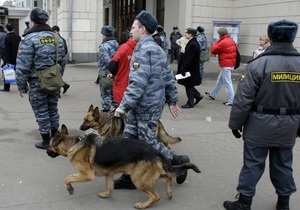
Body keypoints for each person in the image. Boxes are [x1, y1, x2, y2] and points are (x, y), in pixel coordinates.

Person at [224, 19, 299, 210]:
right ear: (292, 39)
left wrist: (235, 124)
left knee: (252, 164)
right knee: (283, 165)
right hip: (289, 125)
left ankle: (244, 203)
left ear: (271, 39)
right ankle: (284, 203)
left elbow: (243, 99)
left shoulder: (257, 64)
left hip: (259, 125)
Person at [114, 10, 189, 189]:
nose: (130, 30)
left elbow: (138, 82)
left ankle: (178, 161)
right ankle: (129, 176)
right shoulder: (156, 49)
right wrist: (172, 100)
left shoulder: (144, 50)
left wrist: (123, 105)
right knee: (130, 139)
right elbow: (168, 77)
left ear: (143, 29)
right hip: (141, 106)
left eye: (133, 27)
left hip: (145, 106)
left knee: (147, 142)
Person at [15, 7, 65, 150]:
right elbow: (62, 60)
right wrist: (58, 76)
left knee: (41, 110)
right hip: (54, 80)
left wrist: (21, 86)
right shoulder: (57, 38)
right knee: (53, 108)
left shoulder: (28, 39)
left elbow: (22, 65)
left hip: (37, 81)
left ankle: (46, 141)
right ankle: (56, 139)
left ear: (32, 21)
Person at [205, 27, 237, 106]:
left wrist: (216, 41)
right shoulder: (231, 40)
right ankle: (213, 94)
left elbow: (214, 51)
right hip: (230, 63)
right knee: (220, 80)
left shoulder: (222, 42)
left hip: (225, 64)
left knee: (227, 82)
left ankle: (231, 100)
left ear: (220, 34)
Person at [107, 35, 137, 107]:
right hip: (137, 87)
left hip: (122, 85)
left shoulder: (124, 48)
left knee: (121, 112)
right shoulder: (142, 48)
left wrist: (113, 74)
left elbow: (112, 66)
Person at [177, 28, 203, 108]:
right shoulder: (192, 42)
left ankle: (190, 103)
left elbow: (189, 58)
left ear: (191, 34)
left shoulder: (193, 44)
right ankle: (197, 95)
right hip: (192, 68)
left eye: (186, 33)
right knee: (188, 85)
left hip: (190, 69)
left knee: (188, 85)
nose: (185, 34)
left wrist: (184, 69)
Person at [97, 25, 119, 112]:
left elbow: (106, 61)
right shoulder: (116, 44)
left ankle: (106, 111)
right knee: (114, 93)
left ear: (105, 35)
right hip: (116, 72)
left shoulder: (104, 46)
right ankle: (116, 110)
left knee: (105, 93)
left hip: (105, 73)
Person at [1, 23, 21, 92]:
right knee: (19, 73)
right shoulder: (18, 36)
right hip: (18, 57)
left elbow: (7, 50)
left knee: (7, 72)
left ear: (6, 29)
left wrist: (7, 61)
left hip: (10, 58)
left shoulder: (7, 37)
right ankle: (24, 87)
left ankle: (6, 87)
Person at [52, 25, 70, 96]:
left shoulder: (60, 40)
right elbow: (66, 51)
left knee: (57, 77)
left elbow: (65, 51)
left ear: (56, 31)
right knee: (58, 77)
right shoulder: (62, 39)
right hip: (61, 61)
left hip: (59, 61)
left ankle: (58, 92)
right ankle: (64, 85)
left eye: (53, 32)